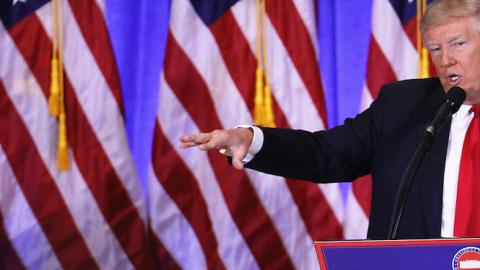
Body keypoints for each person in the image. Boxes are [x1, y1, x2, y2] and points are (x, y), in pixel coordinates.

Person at [180, 0, 480, 240]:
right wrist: (252, 139)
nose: (445, 60)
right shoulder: (403, 106)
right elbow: (326, 153)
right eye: (436, 49)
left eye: (458, 44)